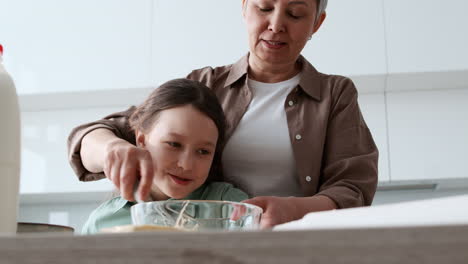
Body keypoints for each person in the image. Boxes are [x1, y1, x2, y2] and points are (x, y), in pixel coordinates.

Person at [68, 0, 378, 229]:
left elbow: (353, 188)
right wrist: (112, 149)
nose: (276, 24)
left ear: (317, 23)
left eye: (295, 14)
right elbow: (98, 133)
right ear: (244, 8)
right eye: (264, 7)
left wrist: (293, 210)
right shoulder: (203, 85)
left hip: (294, 244)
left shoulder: (335, 93)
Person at [81, 79, 248, 234]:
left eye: (203, 151)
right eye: (174, 144)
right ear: (141, 140)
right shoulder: (103, 221)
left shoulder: (232, 207)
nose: (187, 165)